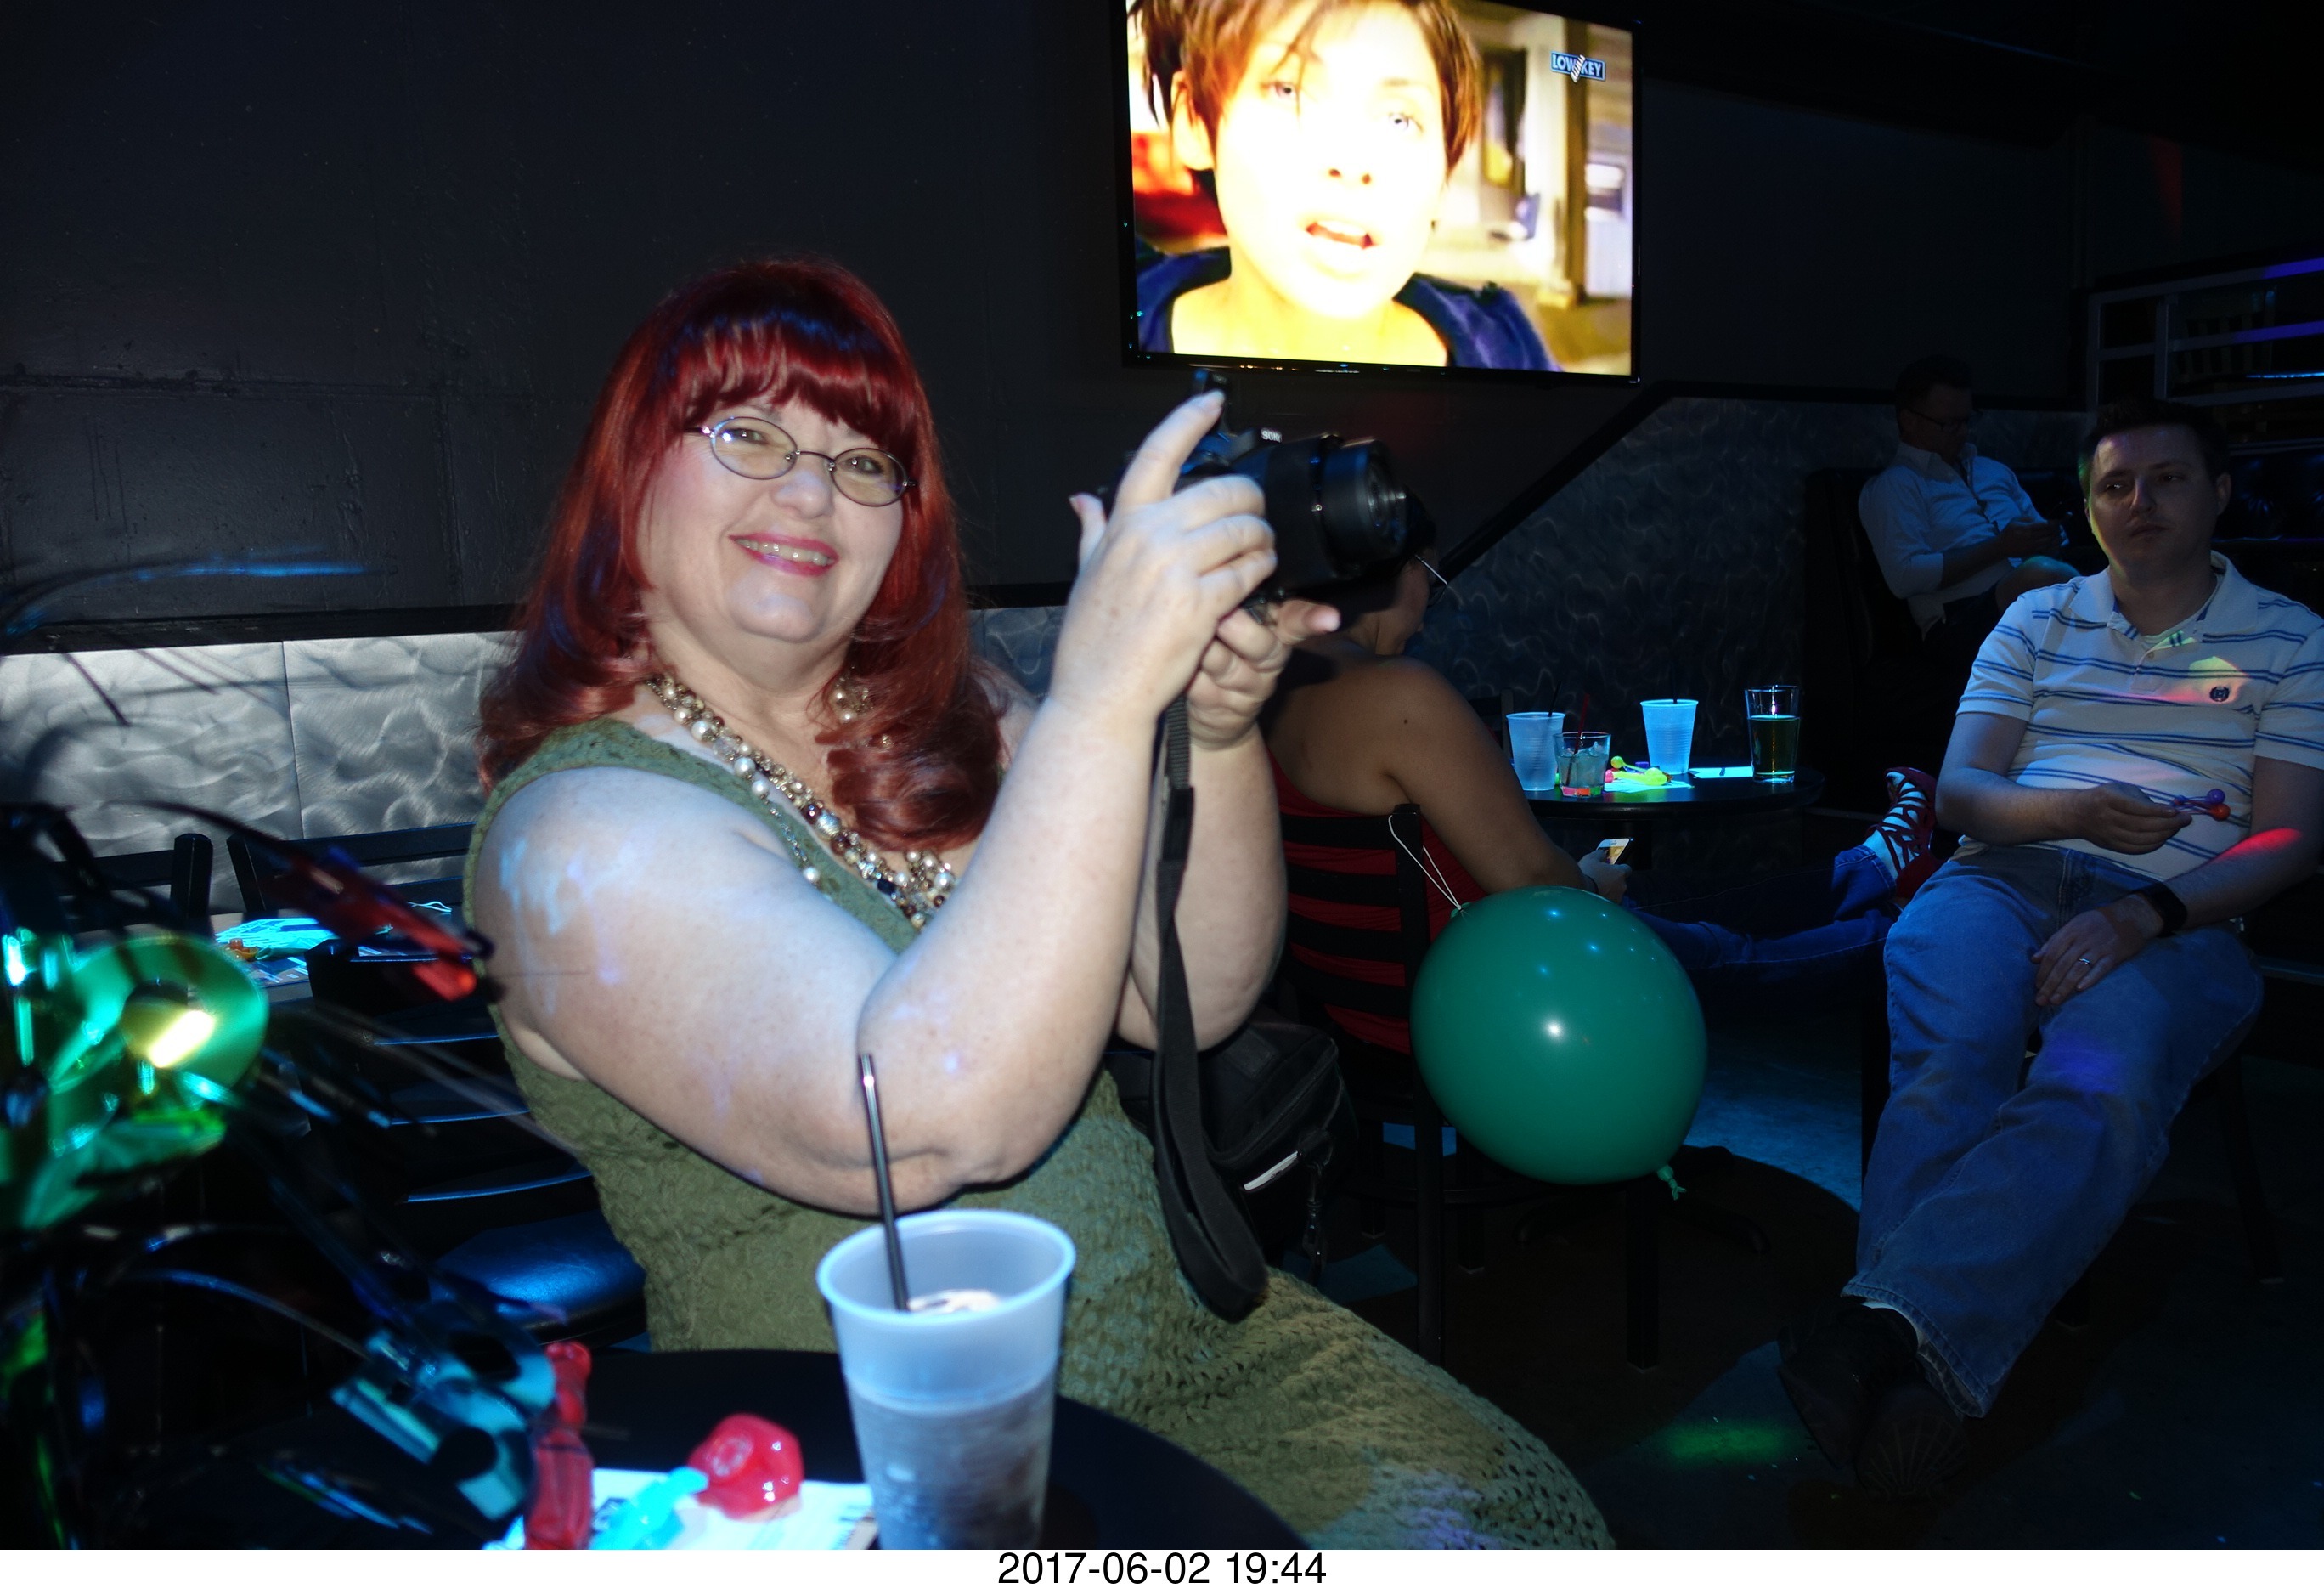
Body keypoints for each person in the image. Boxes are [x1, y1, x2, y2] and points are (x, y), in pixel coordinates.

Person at [464, 259, 1609, 1548]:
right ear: (633, 471)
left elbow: (1187, 994)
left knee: (1525, 1520)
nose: (809, 492)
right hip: (877, 1456)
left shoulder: (965, 717)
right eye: (748, 434)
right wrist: (1105, 700)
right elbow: (924, 1127)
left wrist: (1212, 729)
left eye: (863, 462)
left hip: (1190, 1346)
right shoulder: (578, 830)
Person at [1780, 398, 2324, 1498]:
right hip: (2001, 876)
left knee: (2099, 1085)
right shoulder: (2036, 619)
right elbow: (1965, 795)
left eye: (2169, 478)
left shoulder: (2292, 638)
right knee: (1952, 1062)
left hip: (2180, 912)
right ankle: (1909, 1364)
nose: (2140, 501)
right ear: (2088, 508)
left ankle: (1876, 1337)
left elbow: (2292, 838)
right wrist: (2072, 809)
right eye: (2116, 485)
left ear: (2220, 493)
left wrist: (2145, 914)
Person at [1262, 547, 1940, 1045]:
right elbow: (1536, 879)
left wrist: (1586, 878)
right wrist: (1585, 882)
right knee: (1714, 947)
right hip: (1490, 994)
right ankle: (1926, 932)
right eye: (1433, 583)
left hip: (1379, 996)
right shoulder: (1398, 694)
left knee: (1674, 893)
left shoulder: (1264, 687)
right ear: (1400, 565)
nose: (1425, 613)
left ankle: (1875, 866)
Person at [1131, 0, 1554, 370]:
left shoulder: (1507, 348)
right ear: (1194, 118)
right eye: (1289, 91)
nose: (1353, 163)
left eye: (1399, 120)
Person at [1859, 356, 2080, 682]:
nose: (1962, 433)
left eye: (1967, 420)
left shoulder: (1994, 471)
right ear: (1909, 420)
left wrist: (2048, 540)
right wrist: (2000, 548)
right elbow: (1904, 576)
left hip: (2029, 600)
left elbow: (2048, 544)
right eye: (1949, 424)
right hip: (1957, 623)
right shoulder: (1896, 485)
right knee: (2040, 575)